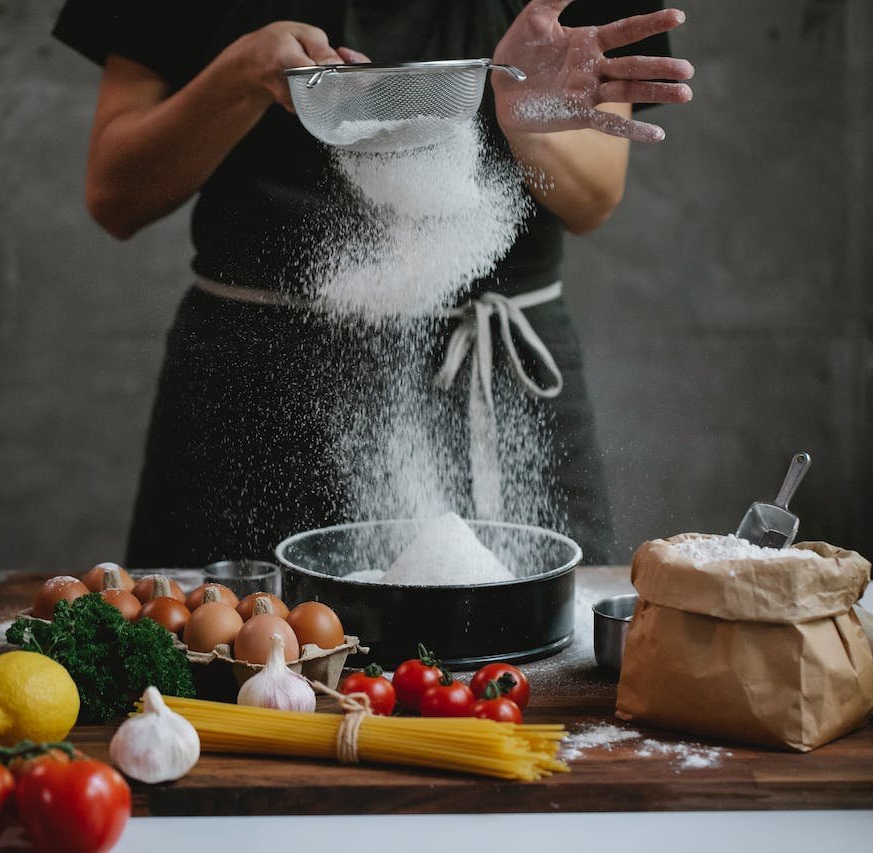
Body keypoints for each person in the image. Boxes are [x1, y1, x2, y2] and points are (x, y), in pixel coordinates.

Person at [52, 0, 694, 567]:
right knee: (227, 669)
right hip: (254, 385)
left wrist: (527, 116)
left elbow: (594, 198)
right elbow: (116, 193)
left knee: (530, 669)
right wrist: (240, 75)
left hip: (495, 381)